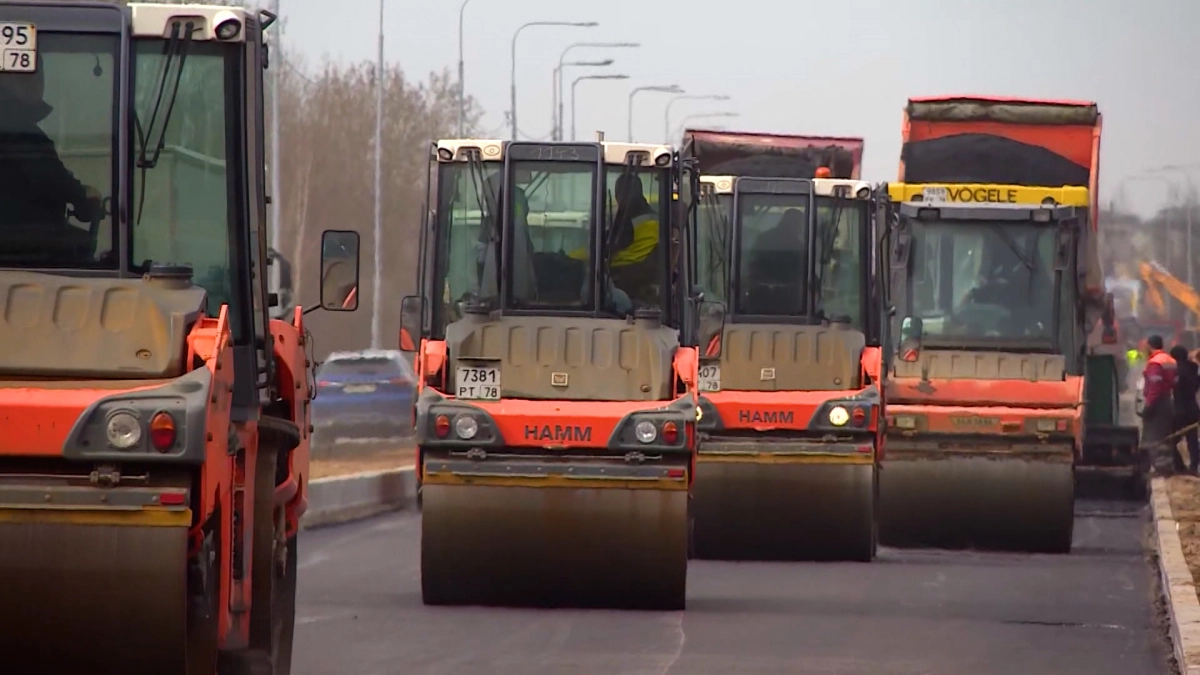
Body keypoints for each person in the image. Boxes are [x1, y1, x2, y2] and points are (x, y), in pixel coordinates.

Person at [0, 61, 103, 262]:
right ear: (6, 78)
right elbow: (51, 178)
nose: (39, 83)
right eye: (30, 75)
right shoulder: (20, 132)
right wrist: (83, 196)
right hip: (24, 252)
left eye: (39, 76)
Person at [741, 207, 807, 315]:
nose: (799, 227)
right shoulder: (798, 246)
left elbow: (750, 266)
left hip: (756, 303)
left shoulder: (763, 238)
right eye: (798, 223)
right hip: (789, 304)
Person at [1141, 334, 1179, 476]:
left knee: (1154, 436)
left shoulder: (1154, 362)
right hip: (1168, 400)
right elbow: (1175, 381)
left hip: (1157, 403)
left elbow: (1154, 386)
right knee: (1165, 435)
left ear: (1150, 345)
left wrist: (1149, 405)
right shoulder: (1171, 360)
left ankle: (1160, 469)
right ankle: (1166, 466)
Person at [1172, 344, 1200, 475]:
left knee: (1171, 440)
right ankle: (1194, 466)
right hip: (1193, 409)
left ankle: (1179, 466)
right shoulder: (1194, 369)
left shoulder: (1176, 371)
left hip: (1180, 409)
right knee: (1192, 440)